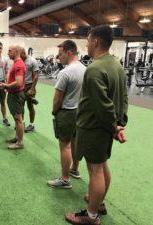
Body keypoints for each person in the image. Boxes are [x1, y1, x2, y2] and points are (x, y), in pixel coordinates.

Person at [65, 25, 128, 225]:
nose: (86, 43)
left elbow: (104, 106)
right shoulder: (116, 65)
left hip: (95, 128)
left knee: (95, 170)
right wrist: (119, 124)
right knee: (101, 165)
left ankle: (91, 216)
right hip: (105, 127)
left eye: (88, 40)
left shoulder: (94, 69)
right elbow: (123, 98)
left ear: (95, 42)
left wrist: (113, 127)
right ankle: (98, 203)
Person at [47, 40, 85, 189]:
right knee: (75, 141)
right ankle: (75, 169)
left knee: (65, 146)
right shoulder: (85, 69)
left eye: (60, 54)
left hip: (67, 111)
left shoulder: (65, 72)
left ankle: (65, 179)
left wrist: (54, 111)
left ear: (69, 52)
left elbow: (57, 99)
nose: (58, 57)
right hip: (80, 111)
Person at [0, 46, 26, 150]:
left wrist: (6, 86)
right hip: (14, 95)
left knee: (18, 119)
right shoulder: (16, 63)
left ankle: (20, 143)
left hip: (16, 95)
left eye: (9, 51)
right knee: (17, 118)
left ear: (16, 51)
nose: (8, 53)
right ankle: (17, 138)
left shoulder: (19, 64)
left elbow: (19, 83)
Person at [20, 49, 39, 132]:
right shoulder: (19, 60)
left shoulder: (32, 61)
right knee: (21, 106)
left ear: (24, 53)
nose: (20, 57)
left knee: (30, 106)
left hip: (29, 85)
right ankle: (22, 123)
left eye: (21, 55)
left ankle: (31, 124)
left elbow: (36, 76)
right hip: (21, 86)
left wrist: (32, 88)